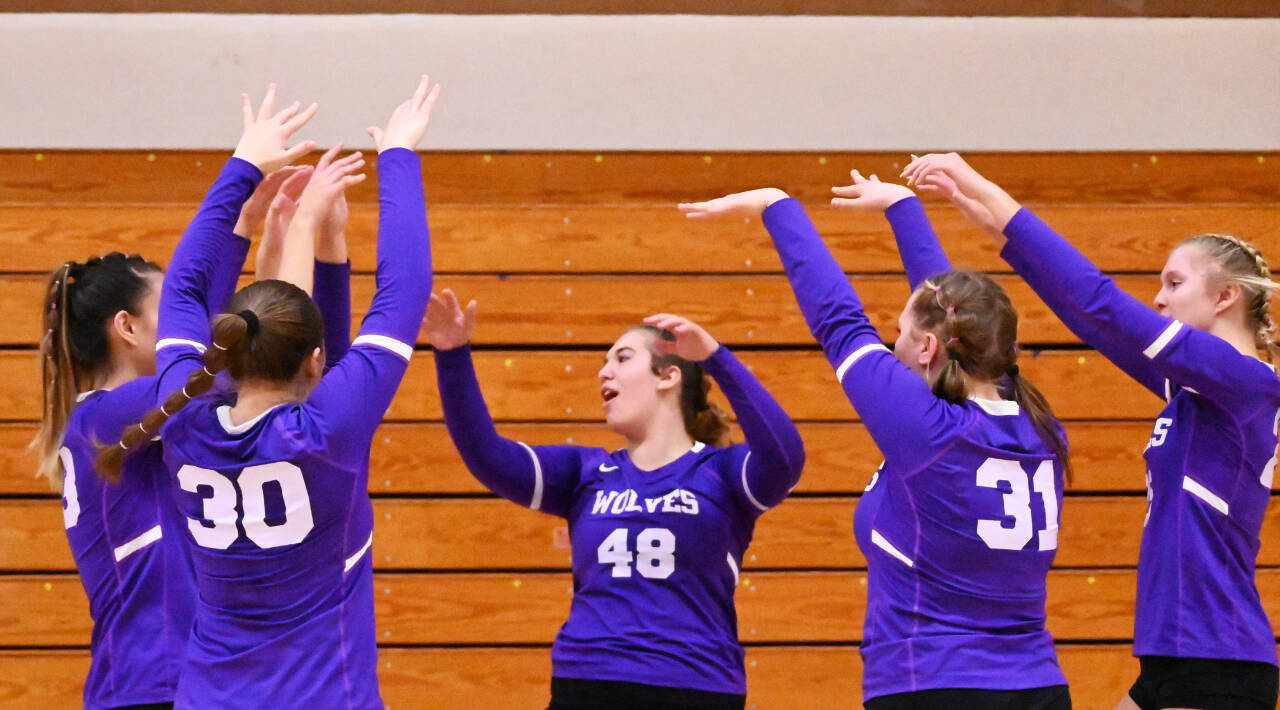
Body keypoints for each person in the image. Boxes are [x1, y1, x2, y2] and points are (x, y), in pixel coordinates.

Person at [97, 75, 440, 710]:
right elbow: (404, 289)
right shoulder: (329, 431)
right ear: (318, 362)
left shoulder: (184, 417)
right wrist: (396, 154)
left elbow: (183, 292)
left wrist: (243, 165)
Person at [901, 152, 1279, 710]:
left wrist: (989, 191)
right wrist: (998, 233)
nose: (1159, 298)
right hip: (1180, 654)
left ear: (1226, 297)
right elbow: (1092, 322)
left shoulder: (1244, 381)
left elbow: (1101, 302)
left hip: (1214, 655)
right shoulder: (1203, 391)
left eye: (1175, 283)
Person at [679, 184, 1071, 710]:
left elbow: (839, 320)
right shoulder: (1039, 428)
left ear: (929, 347)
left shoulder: (929, 431)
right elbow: (951, 311)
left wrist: (778, 206)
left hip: (934, 685)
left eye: (899, 334)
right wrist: (902, 209)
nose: (893, 345)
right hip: (1038, 687)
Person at [32, 84, 317, 710]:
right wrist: (238, 176)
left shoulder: (151, 418)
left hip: (192, 684)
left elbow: (206, 360)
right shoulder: (101, 419)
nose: (188, 325)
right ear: (127, 329)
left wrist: (245, 227)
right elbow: (200, 376)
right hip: (145, 686)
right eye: (171, 311)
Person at [424, 289, 805, 710]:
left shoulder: (723, 473)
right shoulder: (583, 473)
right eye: (605, 362)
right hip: (586, 683)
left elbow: (786, 455)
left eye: (622, 358)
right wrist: (452, 354)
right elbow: (487, 455)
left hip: (695, 686)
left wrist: (715, 355)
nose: (604, 373)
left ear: (668, 375)